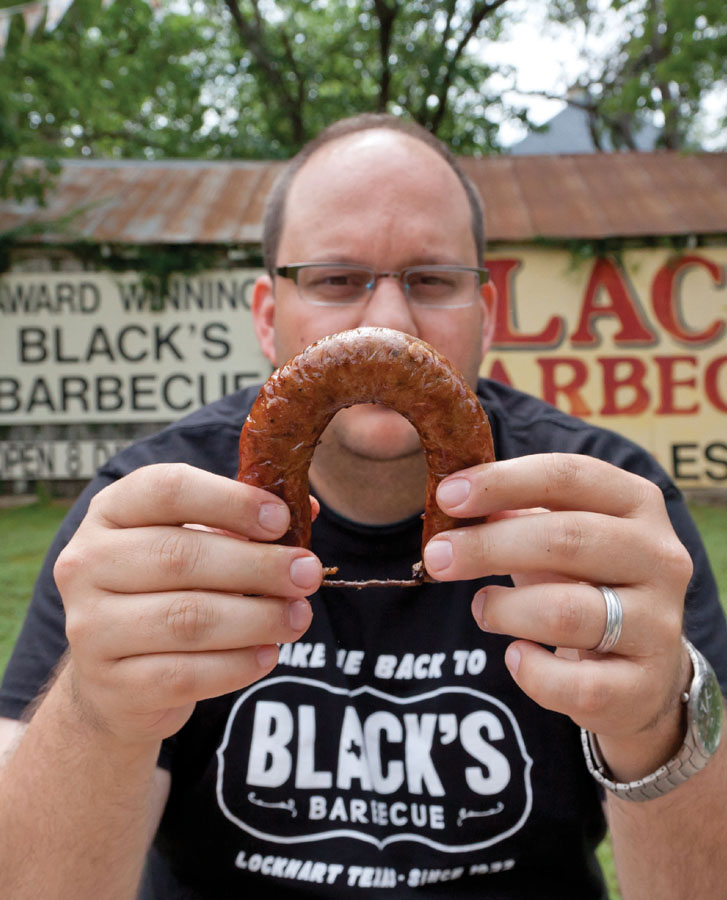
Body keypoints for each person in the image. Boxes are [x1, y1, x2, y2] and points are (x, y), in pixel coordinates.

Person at [1, 114, 726, 900]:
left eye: (431, 279)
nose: (386, 322)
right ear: (267, 312)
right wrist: (94, 709)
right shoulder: (155, 509)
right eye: (336, 279)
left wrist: (662, 720)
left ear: (486, 310)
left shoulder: (605, 509)